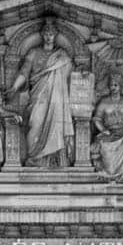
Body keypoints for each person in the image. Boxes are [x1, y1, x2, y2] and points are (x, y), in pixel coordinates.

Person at [7, 18, 74, 166]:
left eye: (51, 34)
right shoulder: (33, 53)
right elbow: (24, 72)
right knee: (35, 123)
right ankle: (34, 157)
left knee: (56, 125)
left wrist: (82, 73)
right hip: (38, 96)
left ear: (55, 35)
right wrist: (14, 88)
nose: (49, 37)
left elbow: (71, 76)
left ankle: (52, 159)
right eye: (46, 34)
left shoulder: (62, 55)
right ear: (42, 35)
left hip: (56, 99)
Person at [91, 72, 123, 179]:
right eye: (111, 85)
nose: (113, 88)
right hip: (109, 133)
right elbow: (97, 119)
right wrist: (103, 130)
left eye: (116, 85)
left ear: (120, 86)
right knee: (101, 143)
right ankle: (107, 169)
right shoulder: (104, 102)